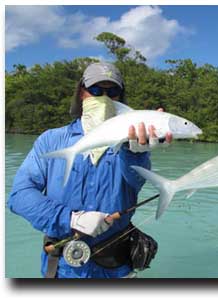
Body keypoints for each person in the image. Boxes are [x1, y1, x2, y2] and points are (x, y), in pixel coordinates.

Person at [8, 62, 172, 278]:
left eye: (112, 92)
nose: (104, 98)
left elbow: (135, 184)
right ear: (81, 93)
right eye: (95, 90)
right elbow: (19, 196)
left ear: (120, 99)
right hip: (62, 269)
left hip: (117, 268)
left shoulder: (132, 143)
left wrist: (136, 153)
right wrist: (70, 219)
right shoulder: (51, 140)